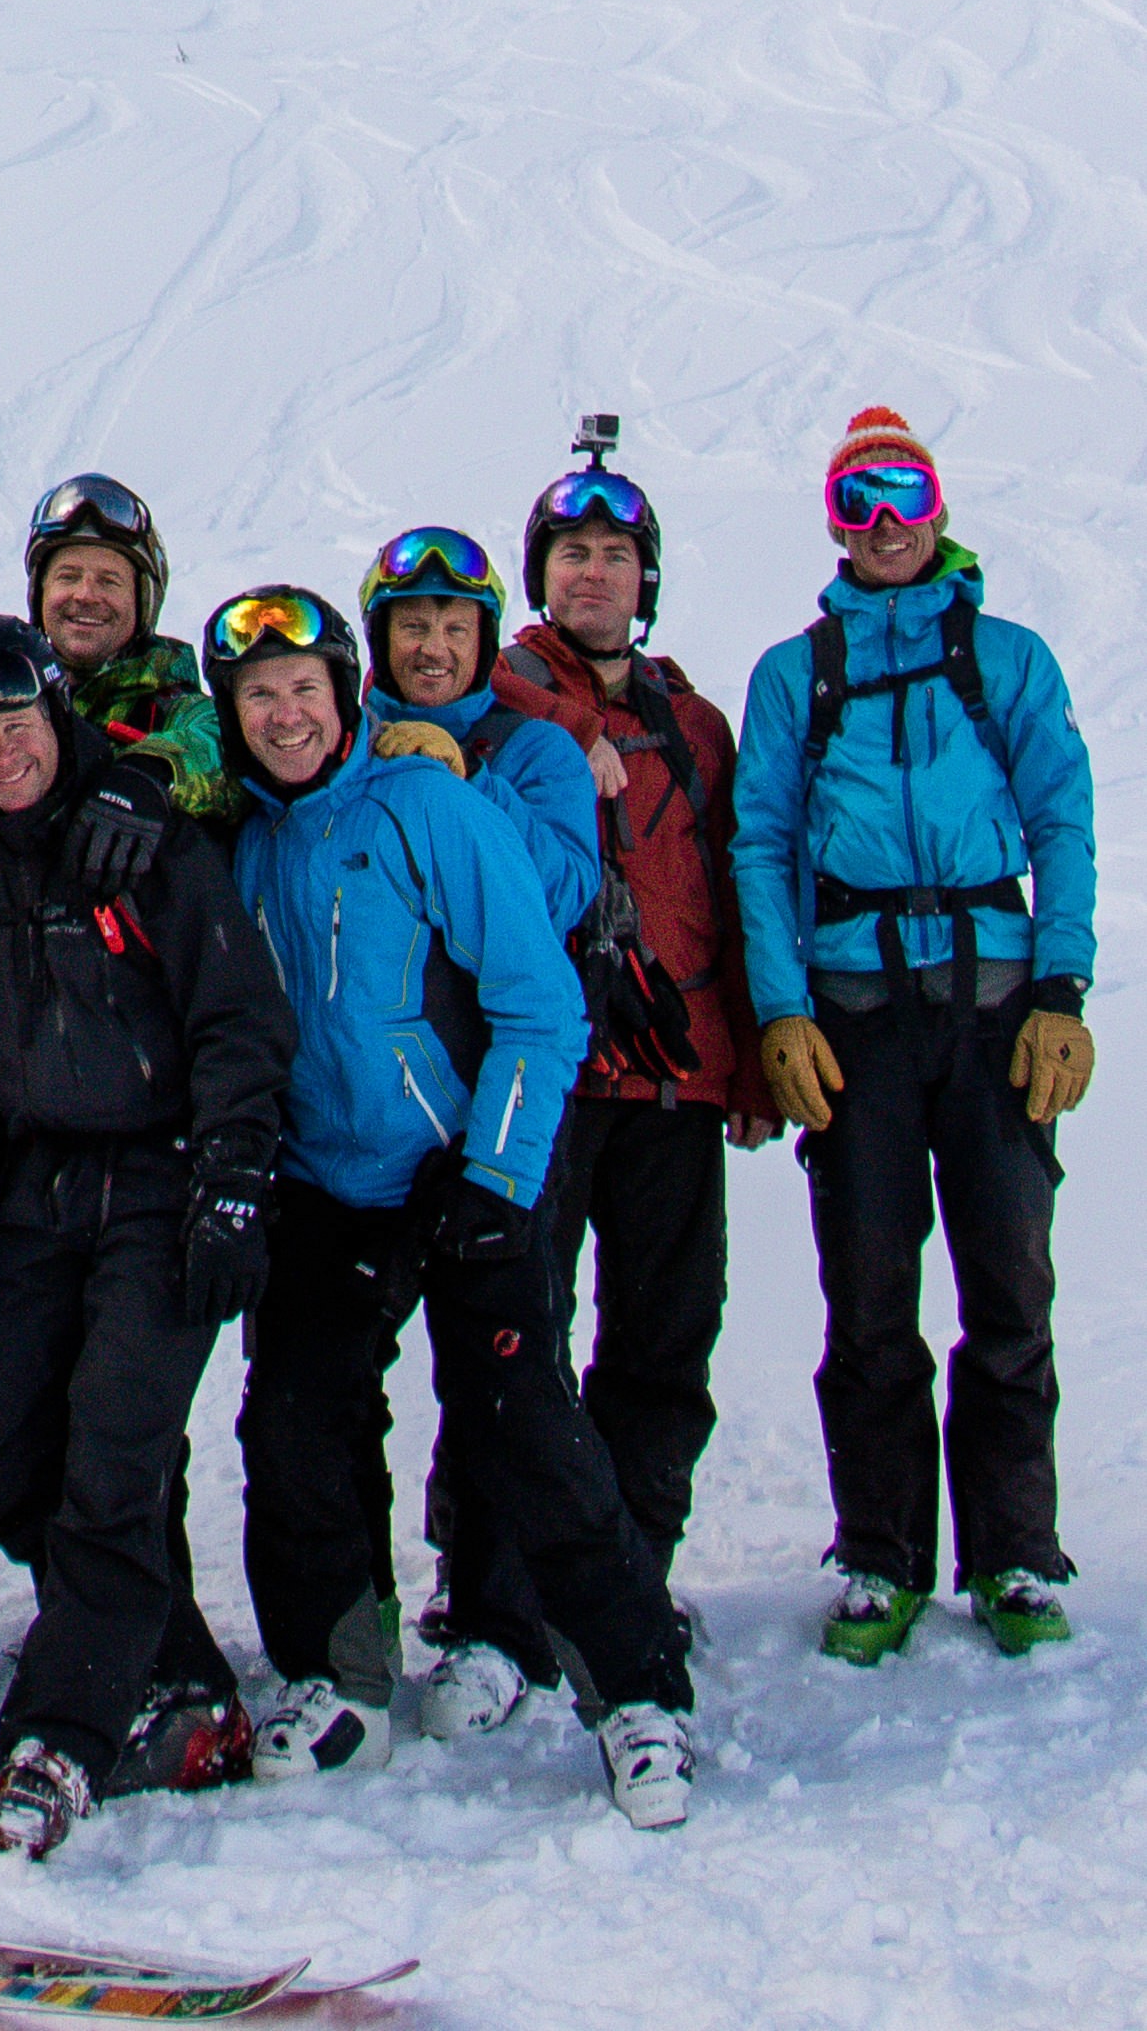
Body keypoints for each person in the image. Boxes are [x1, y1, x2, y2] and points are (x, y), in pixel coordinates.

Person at [204, 586, 698, 1832]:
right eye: (258, 694)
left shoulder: (426, 803)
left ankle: (636, 1693)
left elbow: (540, 1003)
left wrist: (496, 1176)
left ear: (346, 692)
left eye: (304, 688)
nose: (284, 715)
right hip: (323, 1181)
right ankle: (339, 1677)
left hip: (455, 1168)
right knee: (296, 1427)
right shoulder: (247, 841)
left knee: (522, 1422)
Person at [0, 618, 293, 1858]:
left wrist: (232, 1180)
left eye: (16, 726)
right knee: (8, 1477)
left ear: (54, 719)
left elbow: (238, 1018)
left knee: (112, 1468)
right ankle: (172, 1669)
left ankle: (57, 1739)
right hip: (32, 1201)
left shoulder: (145, 846)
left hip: (159, 1185)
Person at [731, 406, 1096, 1667]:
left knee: (1009, 1287)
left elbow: (1061, 817)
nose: (883, 523)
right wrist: (779, 1008)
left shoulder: (1004, 659)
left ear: (938, 510)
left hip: (992, 1015)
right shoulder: (798, 673)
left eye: (901, 493)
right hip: (856, 1021)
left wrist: (1064, 986)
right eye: (857, 501)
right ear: (834, 525)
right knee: (869, 1296)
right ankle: (880, 1554)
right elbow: (762, 844)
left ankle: (1013, 1554)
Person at [428, 449, 768, 1724]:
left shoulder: (693, 723)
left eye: (614, 556)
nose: (591, 573)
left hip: (673, 1076)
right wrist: (570, 726)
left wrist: (740, 1053)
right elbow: (473, 697)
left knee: (664, 1337)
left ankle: (626, 1577)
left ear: (647, 578)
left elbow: (728, 890)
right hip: (550, 1071)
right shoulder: (499, 694)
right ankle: (493, 1603)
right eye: (569, 554)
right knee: (520, 1335)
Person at [360, 527, 601, 938]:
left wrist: (471, 779)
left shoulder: (539, 751)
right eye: (414, 628)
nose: (434, 649)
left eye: (456, 630)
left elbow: (563, 900)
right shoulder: (343, 746)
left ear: (483, 644)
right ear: (380, 637)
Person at [22, 480, 229, 819]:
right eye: (68, 576)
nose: (85, 595)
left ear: (142, 602)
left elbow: (219, 745)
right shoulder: (13, 698)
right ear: (40, 593)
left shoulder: (177, 709)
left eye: (109, 581)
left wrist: (154, 771)